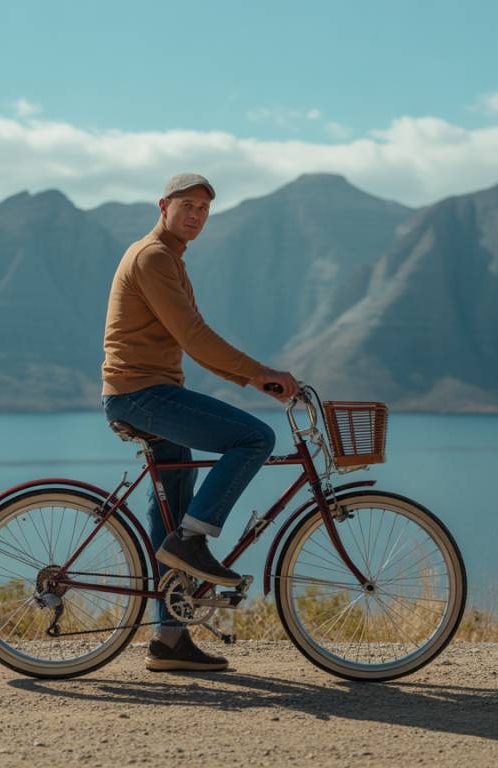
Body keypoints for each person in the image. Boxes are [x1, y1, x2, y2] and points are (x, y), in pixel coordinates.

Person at [101, 172, 298, 672]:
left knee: (172, 504)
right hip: (141, 395)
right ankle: (191, 543)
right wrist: (259, 374)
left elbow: (194, 342)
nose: (195, 216)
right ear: (163, 205)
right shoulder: (152, 257)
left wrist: (252, 377)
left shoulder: (170, 260)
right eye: (187, 205)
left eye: (204, 210)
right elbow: (193, 335)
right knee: (255, 437)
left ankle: (169, 638)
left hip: (151, 393)